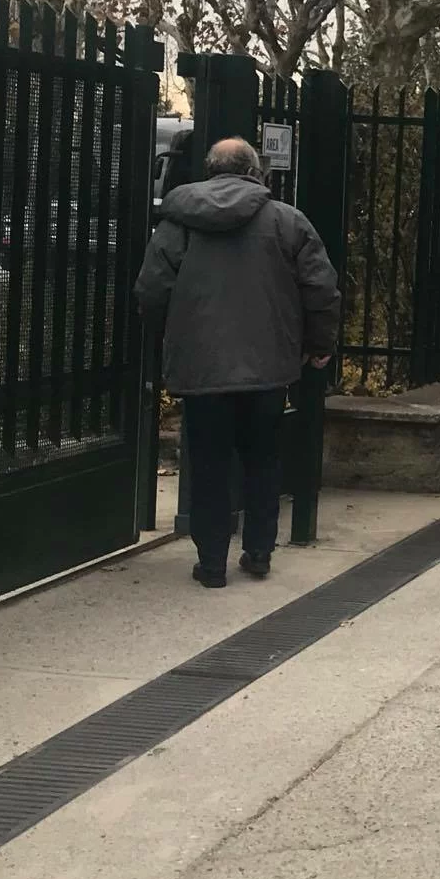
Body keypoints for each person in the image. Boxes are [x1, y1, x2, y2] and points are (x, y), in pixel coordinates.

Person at [136, 137, 340, 589]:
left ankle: (211, 562)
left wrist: (172, 337)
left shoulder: (179, 223)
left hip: (202, 366)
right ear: (256, 172)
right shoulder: (287, 222)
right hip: (268, 366)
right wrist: (319, 342)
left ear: (209, 170)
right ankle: (259, 551)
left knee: (207, 463)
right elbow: (321, 289)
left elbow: (152, 290)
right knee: (262, 459)